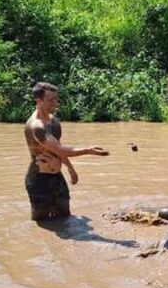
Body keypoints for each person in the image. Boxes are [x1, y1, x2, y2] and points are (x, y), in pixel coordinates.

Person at [24, 82, 109, 221]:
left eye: (56, 99)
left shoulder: (54, 122)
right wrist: (88, 150)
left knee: (65, 219)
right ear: (39, 101)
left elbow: (57, 148)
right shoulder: (36, 127)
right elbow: (61, 149)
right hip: (39, 180)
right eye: (51, 100)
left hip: (57, 177)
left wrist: (70, 168)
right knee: (43, 224)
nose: (55, 103)